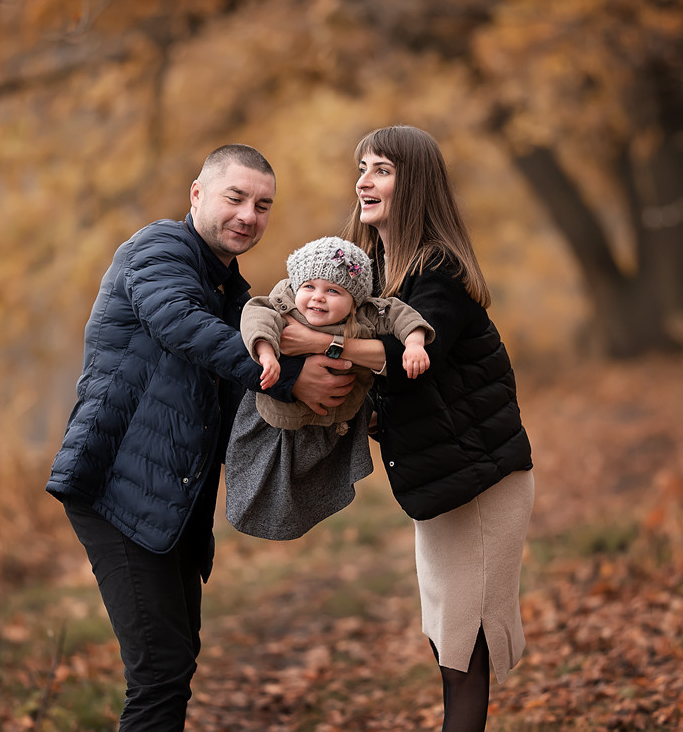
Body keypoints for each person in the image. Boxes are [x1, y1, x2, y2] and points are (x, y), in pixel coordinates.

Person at [45, 144, 355, 732]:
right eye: (235, 198)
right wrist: (292, 376)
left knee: (175, 664)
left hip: (174, 495)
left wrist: (346, 396)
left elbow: (255, 380)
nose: (248, 216)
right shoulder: (158, 249)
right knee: (159, 674)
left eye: (262, 206)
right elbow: (183, 326)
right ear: (197, 194)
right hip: (116, 487)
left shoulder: (229, 287)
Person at [280, 125, 535, 732]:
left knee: (464, 643)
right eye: (361, 168)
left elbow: (412, 358)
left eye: (382, 169)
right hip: (442, 479)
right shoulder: (375, 273)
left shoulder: (439, 269)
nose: (363, 181)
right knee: (447, 635)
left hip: (482, 483)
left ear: (413, 182)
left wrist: (319, 343)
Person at [224, 235, 433, 541]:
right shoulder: (285, 303)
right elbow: (256, 315)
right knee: (262, 480)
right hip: (277, 417)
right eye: (309, 286)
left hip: (336, 422)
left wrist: (414, 344)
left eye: (333, 290)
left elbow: (402, 315)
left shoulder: (368, 313)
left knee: (317, 482)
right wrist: (266, 353)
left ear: (355, 300)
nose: (318, 297)